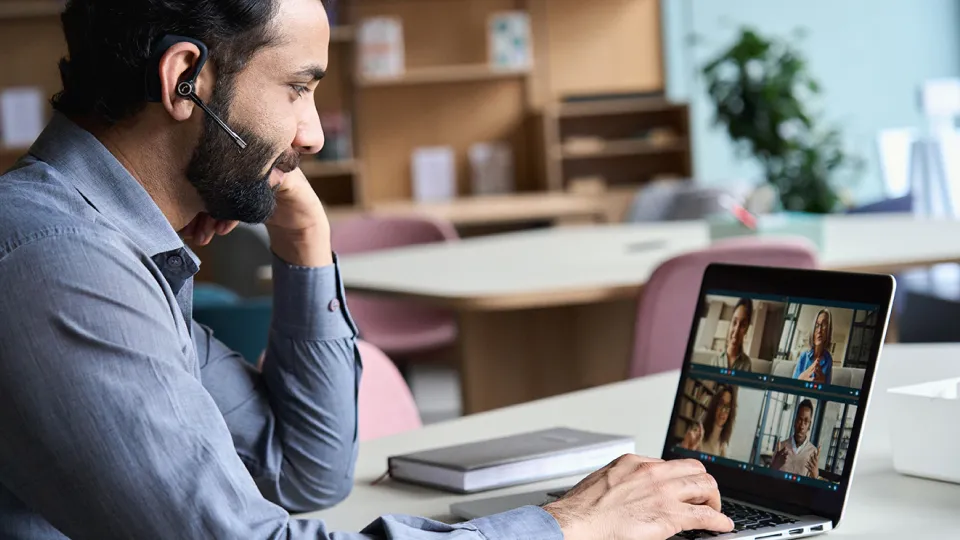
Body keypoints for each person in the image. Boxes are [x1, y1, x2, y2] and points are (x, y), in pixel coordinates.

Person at [0, 1, 735, 538]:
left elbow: (304, 472)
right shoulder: (59, 262)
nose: (313, 134)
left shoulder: (109, 252)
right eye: (298, 88)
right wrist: (567, 527)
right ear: (185, 78)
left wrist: (305, 240)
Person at [770, 399, 821, 479]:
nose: (801, 426)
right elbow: (768, 478)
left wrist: (815, 476)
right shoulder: (781, 447)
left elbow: (813, 488)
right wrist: (774, 467)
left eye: (806, 421)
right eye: (800, 420)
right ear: (795, 420)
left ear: (809, 425)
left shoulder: (812, 453)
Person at [682, 385, 737, 458]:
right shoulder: (698, 435)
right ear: (715, 406)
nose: (723, 411)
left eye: (727, 407)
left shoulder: (723, 446)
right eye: (721, 404)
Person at [706, 299, 754, 372]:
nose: (736, 330)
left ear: (746, 330)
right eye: (734, 322)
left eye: (743, 325)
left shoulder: (747, 364)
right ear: (730, 324)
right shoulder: (715, 360)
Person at [793, 309, 834, 384]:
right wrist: (802, 377)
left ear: (828, 330)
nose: (819, 330)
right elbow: (792, 385)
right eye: (817, 325)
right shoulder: (803, 356)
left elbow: (827, 387)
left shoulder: (828, 359)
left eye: (824, 325)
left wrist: (823, 382)